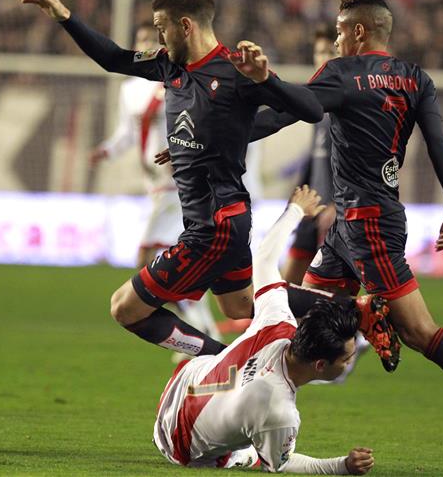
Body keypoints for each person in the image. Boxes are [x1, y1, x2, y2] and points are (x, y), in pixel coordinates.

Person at [251, 0, 443, 467]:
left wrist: (234, 125)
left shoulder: (341, 74)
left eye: (342, 30)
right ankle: (266, 422)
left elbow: (290, 111)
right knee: (307, 322)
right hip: (360, 221)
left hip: (367, 226)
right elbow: (438, 141)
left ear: (359, 32)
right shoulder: (414, 78)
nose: (338, 38)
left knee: (420, 332)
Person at [21, 0, 322, 359]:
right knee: (239, 307)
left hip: (214, 224)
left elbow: (310, 110)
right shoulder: (168, 64)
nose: (159, 35)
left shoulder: (236, 71)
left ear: (186, 25)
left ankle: (221, 362)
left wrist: (266, 80)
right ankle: (353, 311)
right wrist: (64, 16)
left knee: (125, 308)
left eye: (161, 27)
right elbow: (114, 58)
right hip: (219, 220)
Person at [153, 185, 375, 474]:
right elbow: (281, 464)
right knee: (252, 451)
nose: (349, 363)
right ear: (320, 365)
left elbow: (265, 259)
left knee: (238, 398)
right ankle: (237, 453)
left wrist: (295, 209)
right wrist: (342, 466)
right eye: (347, 359)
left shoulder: (279, 322)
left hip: (179, 384)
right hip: (177, 446)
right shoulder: (279, 410)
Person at [88, 21, 220, 344]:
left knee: (148, 261)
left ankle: (199, 341)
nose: (146, 43)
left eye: (152, 38)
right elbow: (127, 134)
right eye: (141, 38)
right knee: (171, 267)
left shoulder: (173, 80)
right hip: (154, 184)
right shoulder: (128, 90)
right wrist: (107, 150)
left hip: (176, 183)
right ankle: (203, 333)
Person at [282, 26, 338, 285]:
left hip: (334, 214)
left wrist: (338, 206)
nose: (323, 58)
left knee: (328, 295)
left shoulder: (346, 101)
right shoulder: (318, 102)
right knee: (286, 286)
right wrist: (297, 195)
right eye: (319, 52)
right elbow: (317, 156)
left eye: (330, 51)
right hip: (312, 207)